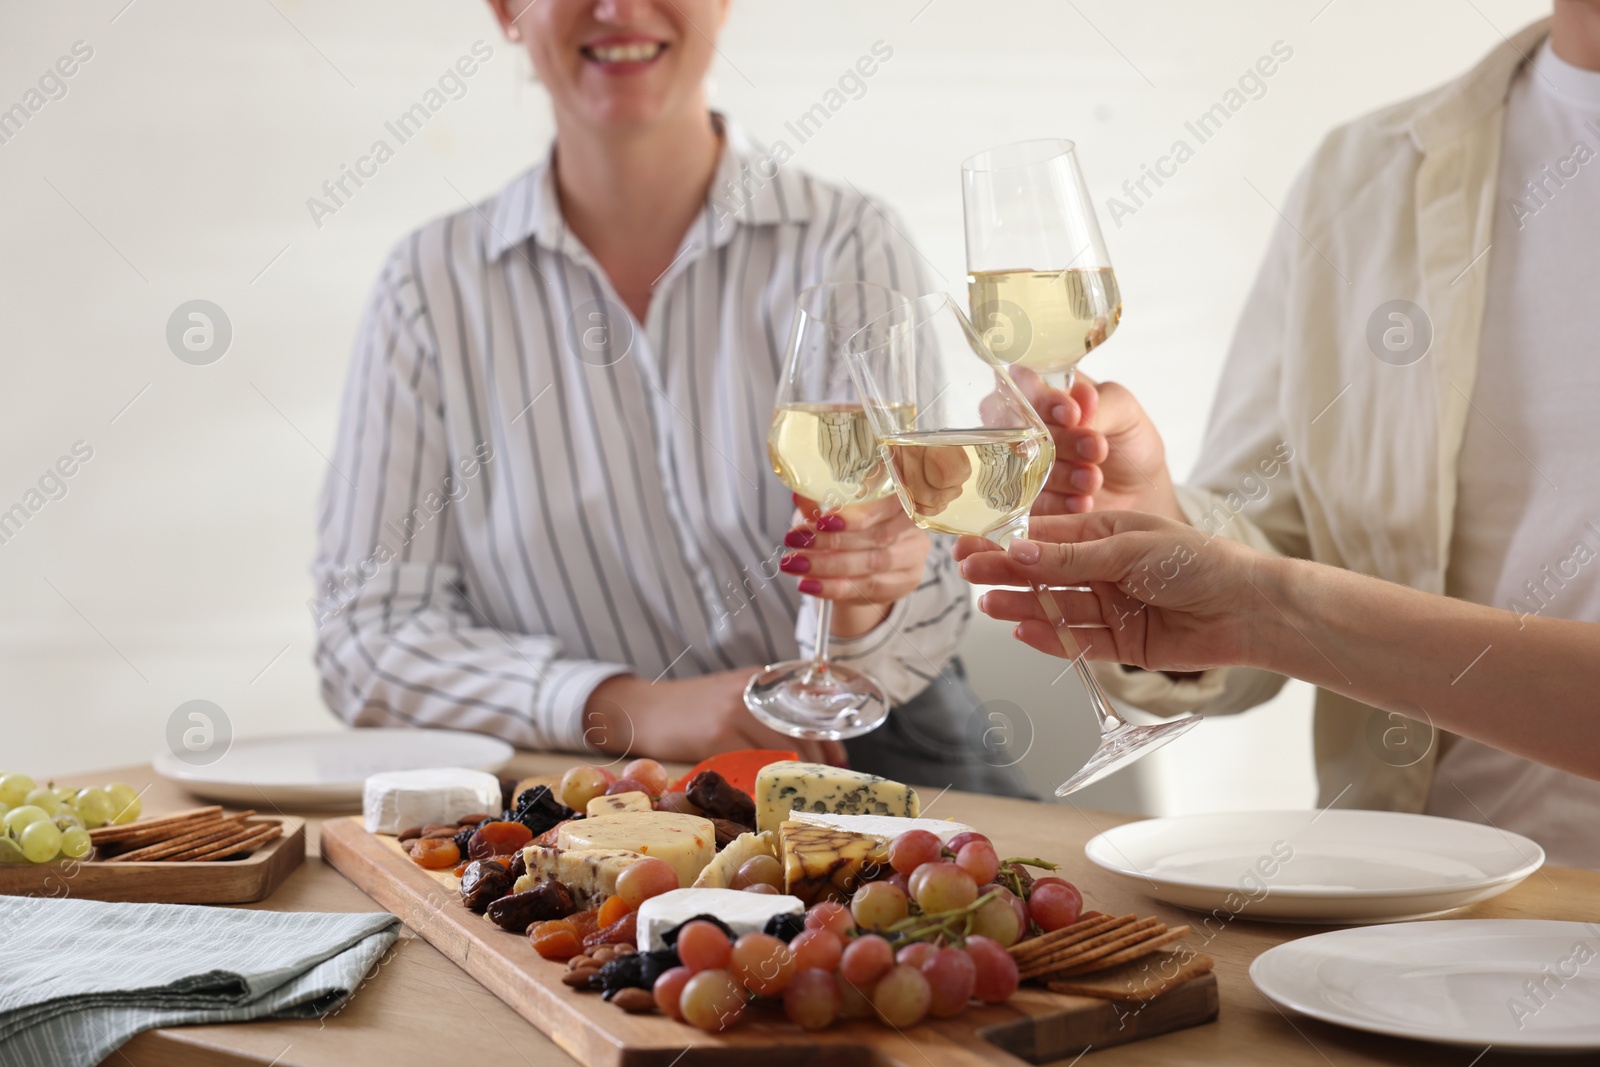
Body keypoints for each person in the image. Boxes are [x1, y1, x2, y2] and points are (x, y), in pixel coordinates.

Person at [308, 0, 1039, 795]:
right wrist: (625, 708)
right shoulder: (429, 285)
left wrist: (861, 605)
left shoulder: (846, 238)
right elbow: (366, 637)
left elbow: (924, 588)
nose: (618, 8)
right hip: (603, 784)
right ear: (507, 10)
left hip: (878, 755)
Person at [1027, 4, 1600, 864]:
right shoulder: (1365, 173)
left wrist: (1273, 604)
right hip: (1414, 914)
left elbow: (1291, 604)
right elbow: (1286, 565)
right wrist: (1169, 525)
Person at [955, 512, 1600, 784]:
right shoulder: (1347, 222)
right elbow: (1282, 520)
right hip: (1398, 898)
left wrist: (1257, 608)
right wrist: (1247, 606)